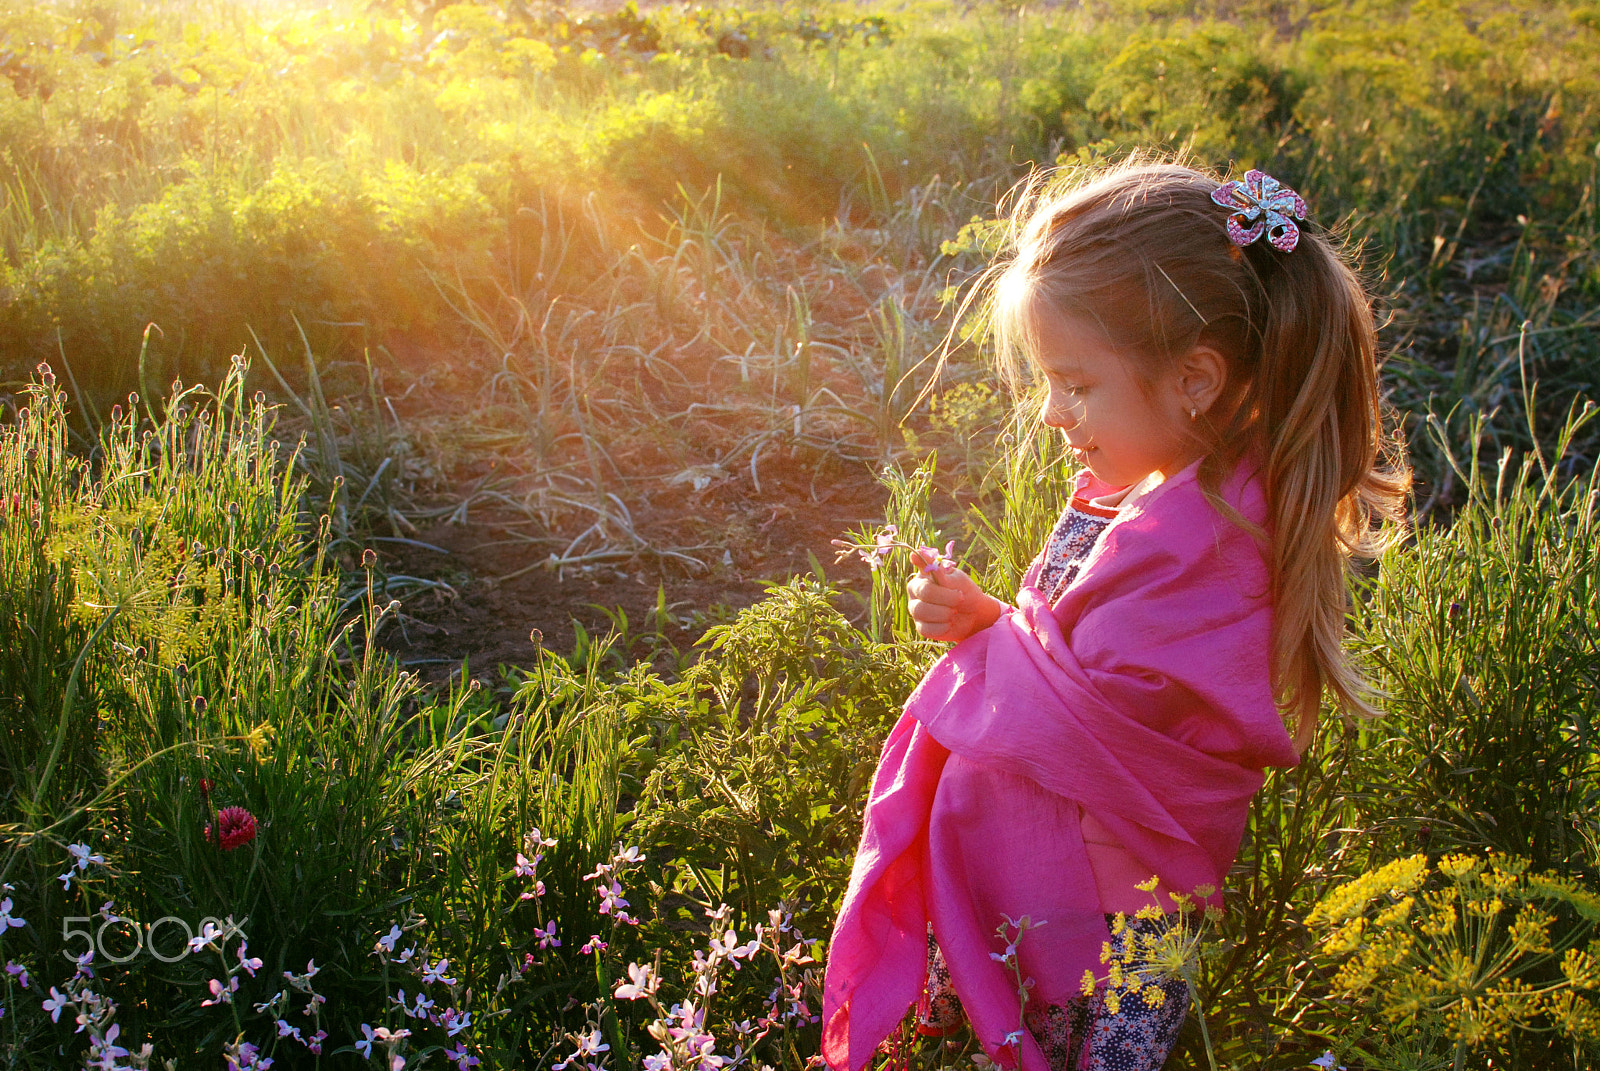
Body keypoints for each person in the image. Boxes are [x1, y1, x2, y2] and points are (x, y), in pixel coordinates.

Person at [821, 159, 1410, 1071]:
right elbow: (1069, 674)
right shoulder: (1160, 497)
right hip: (1084, 894)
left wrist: (993, 647)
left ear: (1196, 381)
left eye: (1076, 382)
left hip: (1098, 914)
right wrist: (990, 623)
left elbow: (1084, 721)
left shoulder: (1206, 541)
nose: (1053, 414)